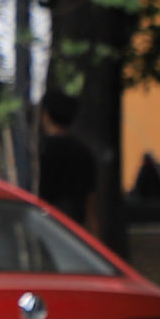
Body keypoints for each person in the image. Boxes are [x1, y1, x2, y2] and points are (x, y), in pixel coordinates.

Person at [35, 90, 98, 229]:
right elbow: (91, 199)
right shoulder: (83, 152)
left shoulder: (42, 151)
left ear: (46, 115)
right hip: (75, 227)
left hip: (48, 223)